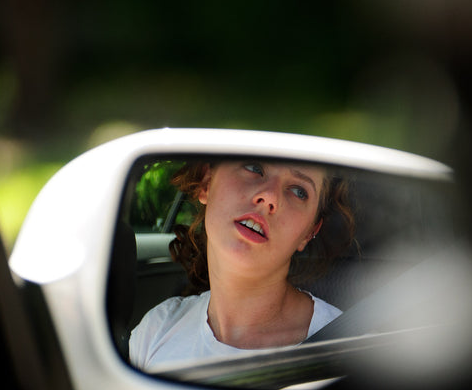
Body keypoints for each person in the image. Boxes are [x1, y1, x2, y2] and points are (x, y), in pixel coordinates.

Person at [129, 159, 355, 371]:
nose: (269, 196)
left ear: (309, 232)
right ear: (207, 181)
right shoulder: (157, 328)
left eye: (299, 191)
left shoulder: (351, 351)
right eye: (254, 167)